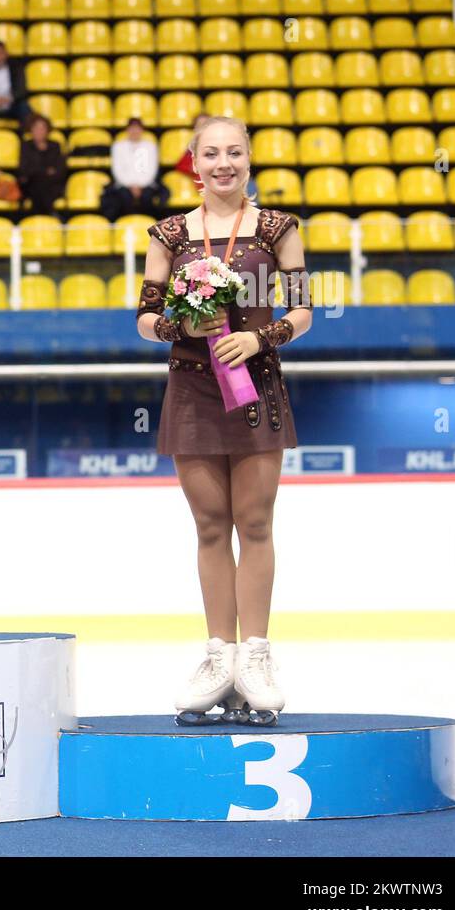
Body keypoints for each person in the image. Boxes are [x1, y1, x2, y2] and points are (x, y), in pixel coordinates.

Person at [134, 116, 313, 725]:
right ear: (193, 161)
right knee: (212, 526)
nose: (223, 163)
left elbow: (306, 310)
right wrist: (181, 326)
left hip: (257, 386)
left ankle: (257, 654)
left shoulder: (279, 228)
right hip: (192, 388)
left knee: (254, 522)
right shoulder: (166, 234)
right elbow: (143, 319)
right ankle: (218, 653)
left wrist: (260, 339)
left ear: (249, 157)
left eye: (234, 152)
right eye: (211, 153)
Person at [106, 118, 166, 219]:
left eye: (137, 128)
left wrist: (140, 185)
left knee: (148, 197)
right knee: (124, 197)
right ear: (127, 130)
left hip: (146, 184)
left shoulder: (150, 146)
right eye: (132, 128)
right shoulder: (118, 146)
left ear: (142, 130)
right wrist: (131, 185)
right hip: (123, 185)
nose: (134, 131)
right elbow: (117, 170)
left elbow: (152, 169)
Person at [16, 114, 68, 215]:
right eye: (36, 128)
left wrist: (38, 171)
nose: (39, 131)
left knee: (42, 186)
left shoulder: (55, 146)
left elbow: (60, 170)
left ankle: (37, 217)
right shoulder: (26, 146)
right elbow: (24, 170)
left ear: (48, 130)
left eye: (42, 128)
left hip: (51, 186)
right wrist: (45, 171)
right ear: (31, 130)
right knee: (38, 184)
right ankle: (51, 213)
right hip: (31, 186)